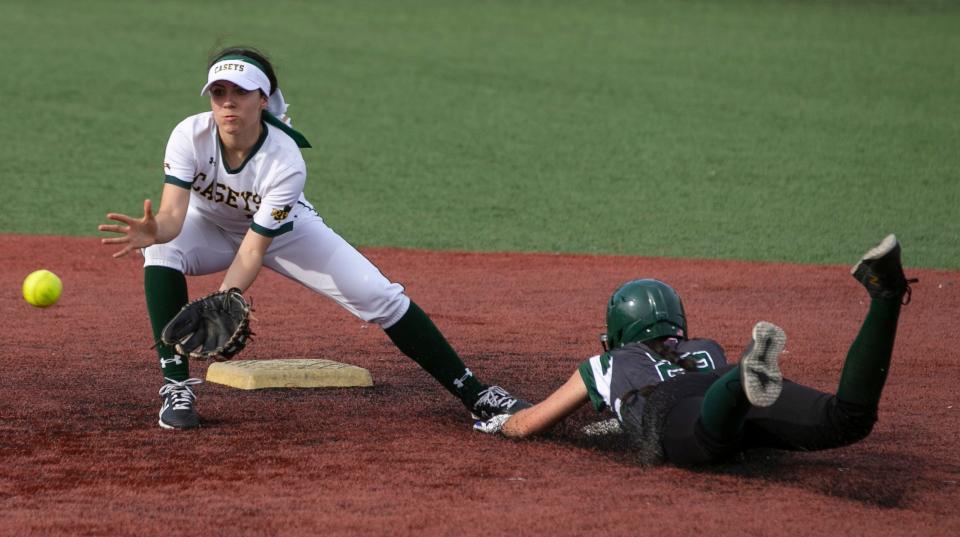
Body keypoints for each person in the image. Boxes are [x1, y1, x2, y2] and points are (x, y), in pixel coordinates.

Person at [98, 46, 528, 430]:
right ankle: (178, 388)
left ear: (263, 99)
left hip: (285, 233)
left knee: (380, 295)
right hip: (207, 227)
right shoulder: (188, 135)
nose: (227, 102)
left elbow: (254, 247)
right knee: (160, 247)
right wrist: (156, 230)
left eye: (240, 92)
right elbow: (173, 216)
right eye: (218, 92)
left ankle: (474, 393)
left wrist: (225, 299)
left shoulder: (284, 161)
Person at [474, 234, 915, 466]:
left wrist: (504, 424)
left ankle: (744, 377)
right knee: (846, 420)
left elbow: (530, 424)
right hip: (714, 383)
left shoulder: (607, 363)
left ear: (620, 331)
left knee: (706, 440)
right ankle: (884, 295)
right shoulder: (703, 346)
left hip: (678, 409)